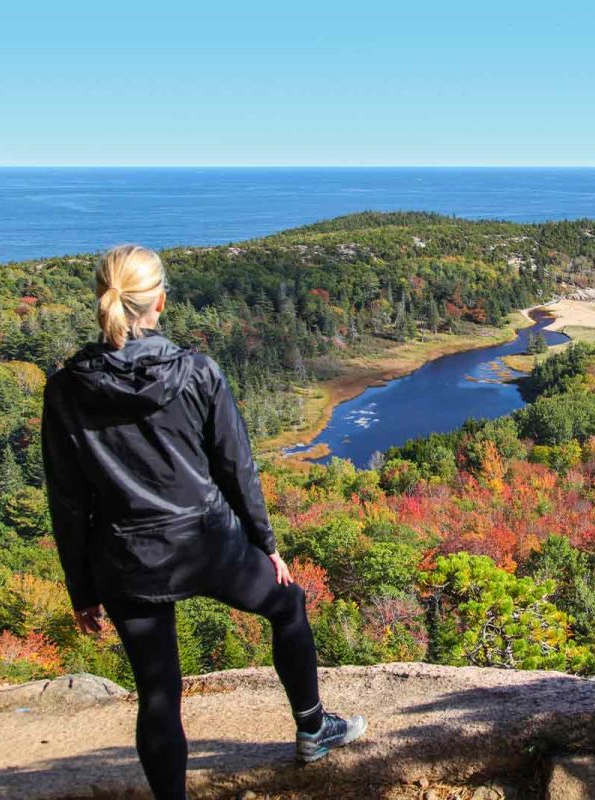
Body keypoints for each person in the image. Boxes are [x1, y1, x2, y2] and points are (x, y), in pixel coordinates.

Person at [42, 244, 366, 800]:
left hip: (125, 559)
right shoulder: (196, 372)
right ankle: (313, 728)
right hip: (209, 543)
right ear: (161, 301)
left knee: (158, 692)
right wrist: (265, 544)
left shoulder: (67, 387)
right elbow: (237, 466)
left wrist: (82, 588)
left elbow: (67, 501)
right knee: (287, 605)